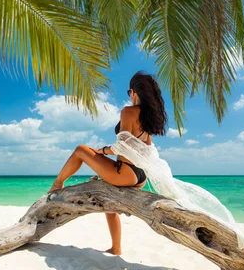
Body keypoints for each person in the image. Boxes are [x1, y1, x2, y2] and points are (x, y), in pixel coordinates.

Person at [48, 71, 168, 255]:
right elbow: (146, 149)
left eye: (129, 92)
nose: (129, 96)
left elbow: (123, 145)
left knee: (81, 150)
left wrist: (102, 151)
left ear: (133, 92)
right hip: (141, 176)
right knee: (109, 204)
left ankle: (57, 185)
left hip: (126, 173)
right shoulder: (148, 117)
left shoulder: (129, 111)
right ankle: (116, 248)